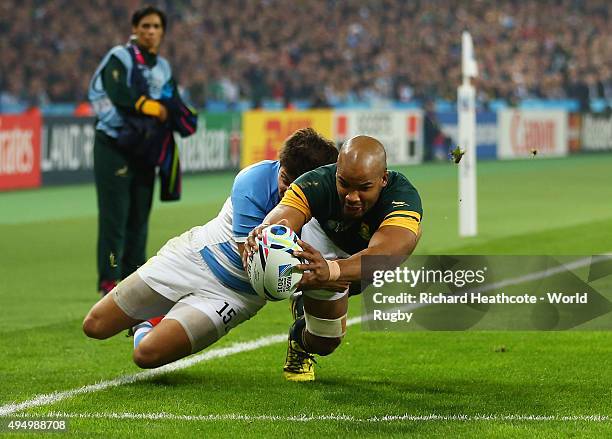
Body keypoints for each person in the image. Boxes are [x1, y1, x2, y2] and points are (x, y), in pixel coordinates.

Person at [82, 128, 341, 369]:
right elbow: (254, 265)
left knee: (145, 355)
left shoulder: (328, 210)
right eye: (285, 178)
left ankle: (148, 323)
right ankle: (163, 307)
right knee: (94, 325)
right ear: (279, 165)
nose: (287, 190)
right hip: (193, 259)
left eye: (297, 186)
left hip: (235, 297)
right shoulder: (254, 180)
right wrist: (305, 282)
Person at [244, 135, 423, 381]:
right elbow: (285, 217)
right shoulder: (315, 183)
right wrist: (267, 233)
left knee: (360, 276)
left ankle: (308, 300)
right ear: (336, 171)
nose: (352, 196)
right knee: (325, 342)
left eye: (364, 188)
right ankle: (300, 336)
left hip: (369, 254)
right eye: (345, 184)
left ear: (383, 179)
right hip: (322, 244)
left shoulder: (402, 196)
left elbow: (384, 256)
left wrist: (333, 271)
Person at [88, 6, 190, 296]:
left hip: (146, 148)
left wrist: (184, 117)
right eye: (145, 26)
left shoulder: (163, 68)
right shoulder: (119, 57)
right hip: (114, 145)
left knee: (140, 217)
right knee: (114, 216)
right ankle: (109, 278)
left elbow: (173, 102)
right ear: (135, 28)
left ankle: (134, 277)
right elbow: (117, 92)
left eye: (156, 26)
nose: (151, 31)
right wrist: (147, 105)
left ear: (163, 32)